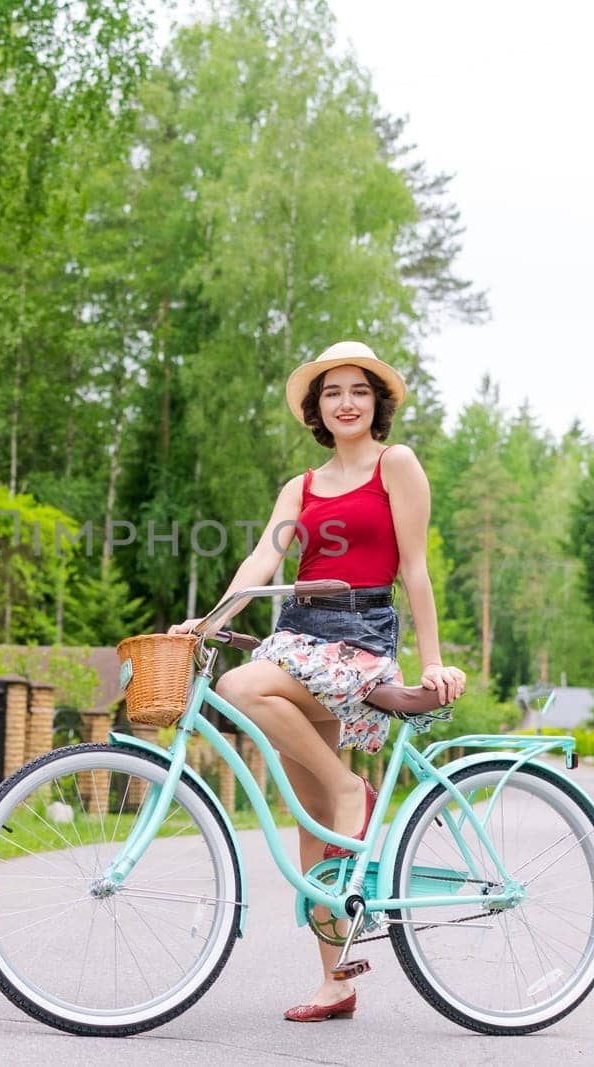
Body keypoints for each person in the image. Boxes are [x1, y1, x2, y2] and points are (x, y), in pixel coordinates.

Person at [168, 339, 467, 1022]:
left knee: (245, 688)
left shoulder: (398, 465)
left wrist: (432, 660)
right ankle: (336, 981)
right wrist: (210, 618)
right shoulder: (298, 488)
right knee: (312, 823)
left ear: (377, 402)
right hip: (300, 632)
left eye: (358, 390)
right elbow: (260, 557)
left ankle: (347, 789)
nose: (346, 401)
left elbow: (415, 569)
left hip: (360, 635)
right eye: (332, 392)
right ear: (316, 408)